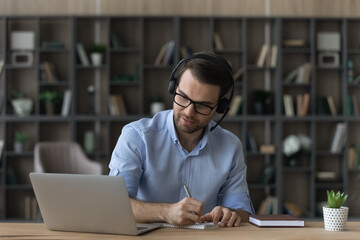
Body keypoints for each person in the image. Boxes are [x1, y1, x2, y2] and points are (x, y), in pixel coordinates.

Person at [109, 51, 254, 227]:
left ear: (220, 107)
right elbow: (115, 207)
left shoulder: (231, 147)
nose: (188, 112)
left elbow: (243, 212)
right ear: (173, 88)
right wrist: (166, 212)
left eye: (203, 105)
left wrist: (231, 214)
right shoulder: (136, 137)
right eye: (183, 97)